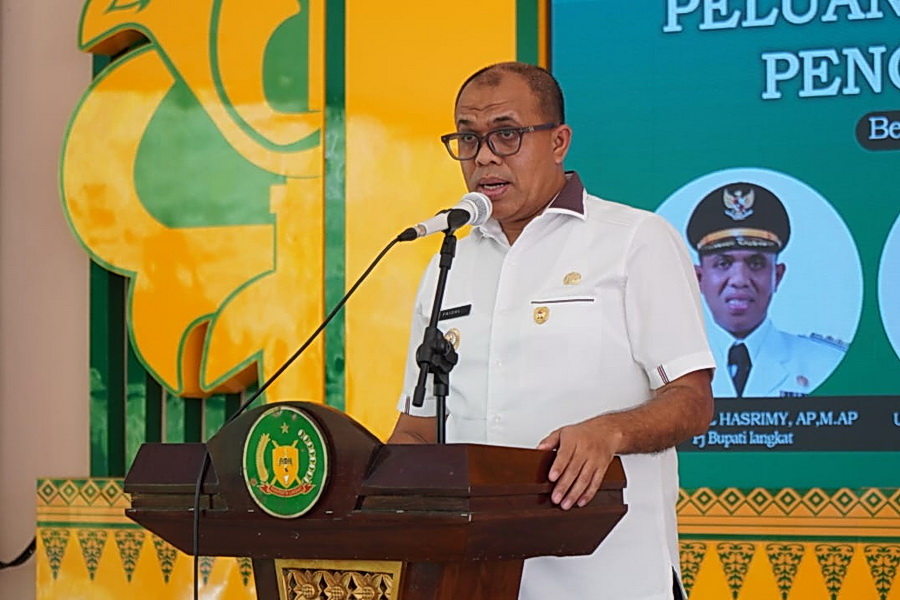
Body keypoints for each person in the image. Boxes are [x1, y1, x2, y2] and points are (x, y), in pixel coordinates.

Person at [388, 62, 715, 600]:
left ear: (559, 141)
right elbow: (417, 431)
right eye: (468, 138)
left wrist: (609, 432)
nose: (484, 156)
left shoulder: (634, 240)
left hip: (609, 580)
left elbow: (692, 400)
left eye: (506, 135)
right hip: (473, 582)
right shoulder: (448, 263)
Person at [686, 182, 848, 398]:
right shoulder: (667, 364)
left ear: (777, 276)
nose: (740, 280)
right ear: (698, 278)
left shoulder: (825, 362)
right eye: (723, 263)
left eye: (755, 263)